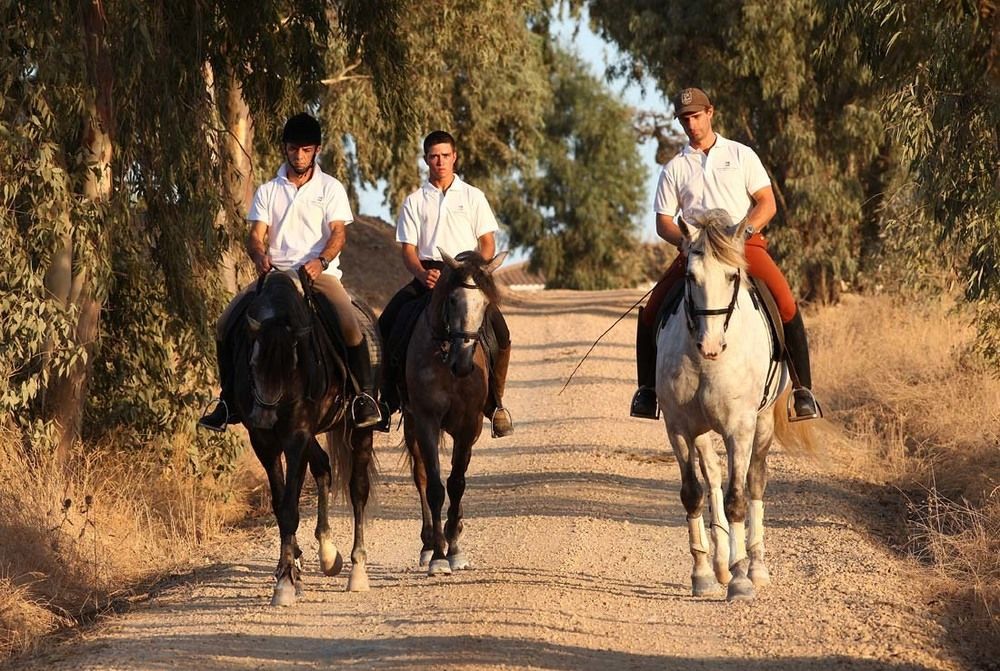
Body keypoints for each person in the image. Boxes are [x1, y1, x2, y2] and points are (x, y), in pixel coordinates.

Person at [630, 87, 822, 422]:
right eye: (684, 119)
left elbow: (767, 202)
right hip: (696, 251)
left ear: (710, 113)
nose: (691, 124)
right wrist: (685, 241)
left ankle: (802, 392)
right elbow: (663, 221)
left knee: (787, 303)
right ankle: (646, 392)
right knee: (651, 312)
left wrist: (744, 231)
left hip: (742, 246)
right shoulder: (674, 167)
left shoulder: (741, 154)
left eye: (695, 116)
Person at [198, 112, 381, 431]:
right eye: (294, 149)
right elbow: (256, 235)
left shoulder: (331, 188)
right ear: (285, 148)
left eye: (306, 149)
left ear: (317, 150)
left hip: (320, 274)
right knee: (226, 322)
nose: (299, 155)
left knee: (350, 325)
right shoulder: (269, 190)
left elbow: (338, 233)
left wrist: (321, 261)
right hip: (278, 276)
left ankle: (363, 398)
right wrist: (259, 254)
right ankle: (228, 400)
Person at [377, 130, 513, 437]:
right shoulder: (414, 200)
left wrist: (476, 269)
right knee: (388, 324)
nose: (440, 162)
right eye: (433, 156)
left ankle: (496, 403)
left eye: (445, 156)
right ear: (426, 160)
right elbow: (409, 250)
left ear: (455, 157)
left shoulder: (473, 196)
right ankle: (387, 400)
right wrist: (421, 274)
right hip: (430, 275)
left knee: (501, 333)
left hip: (466, 276)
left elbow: (488, 243)